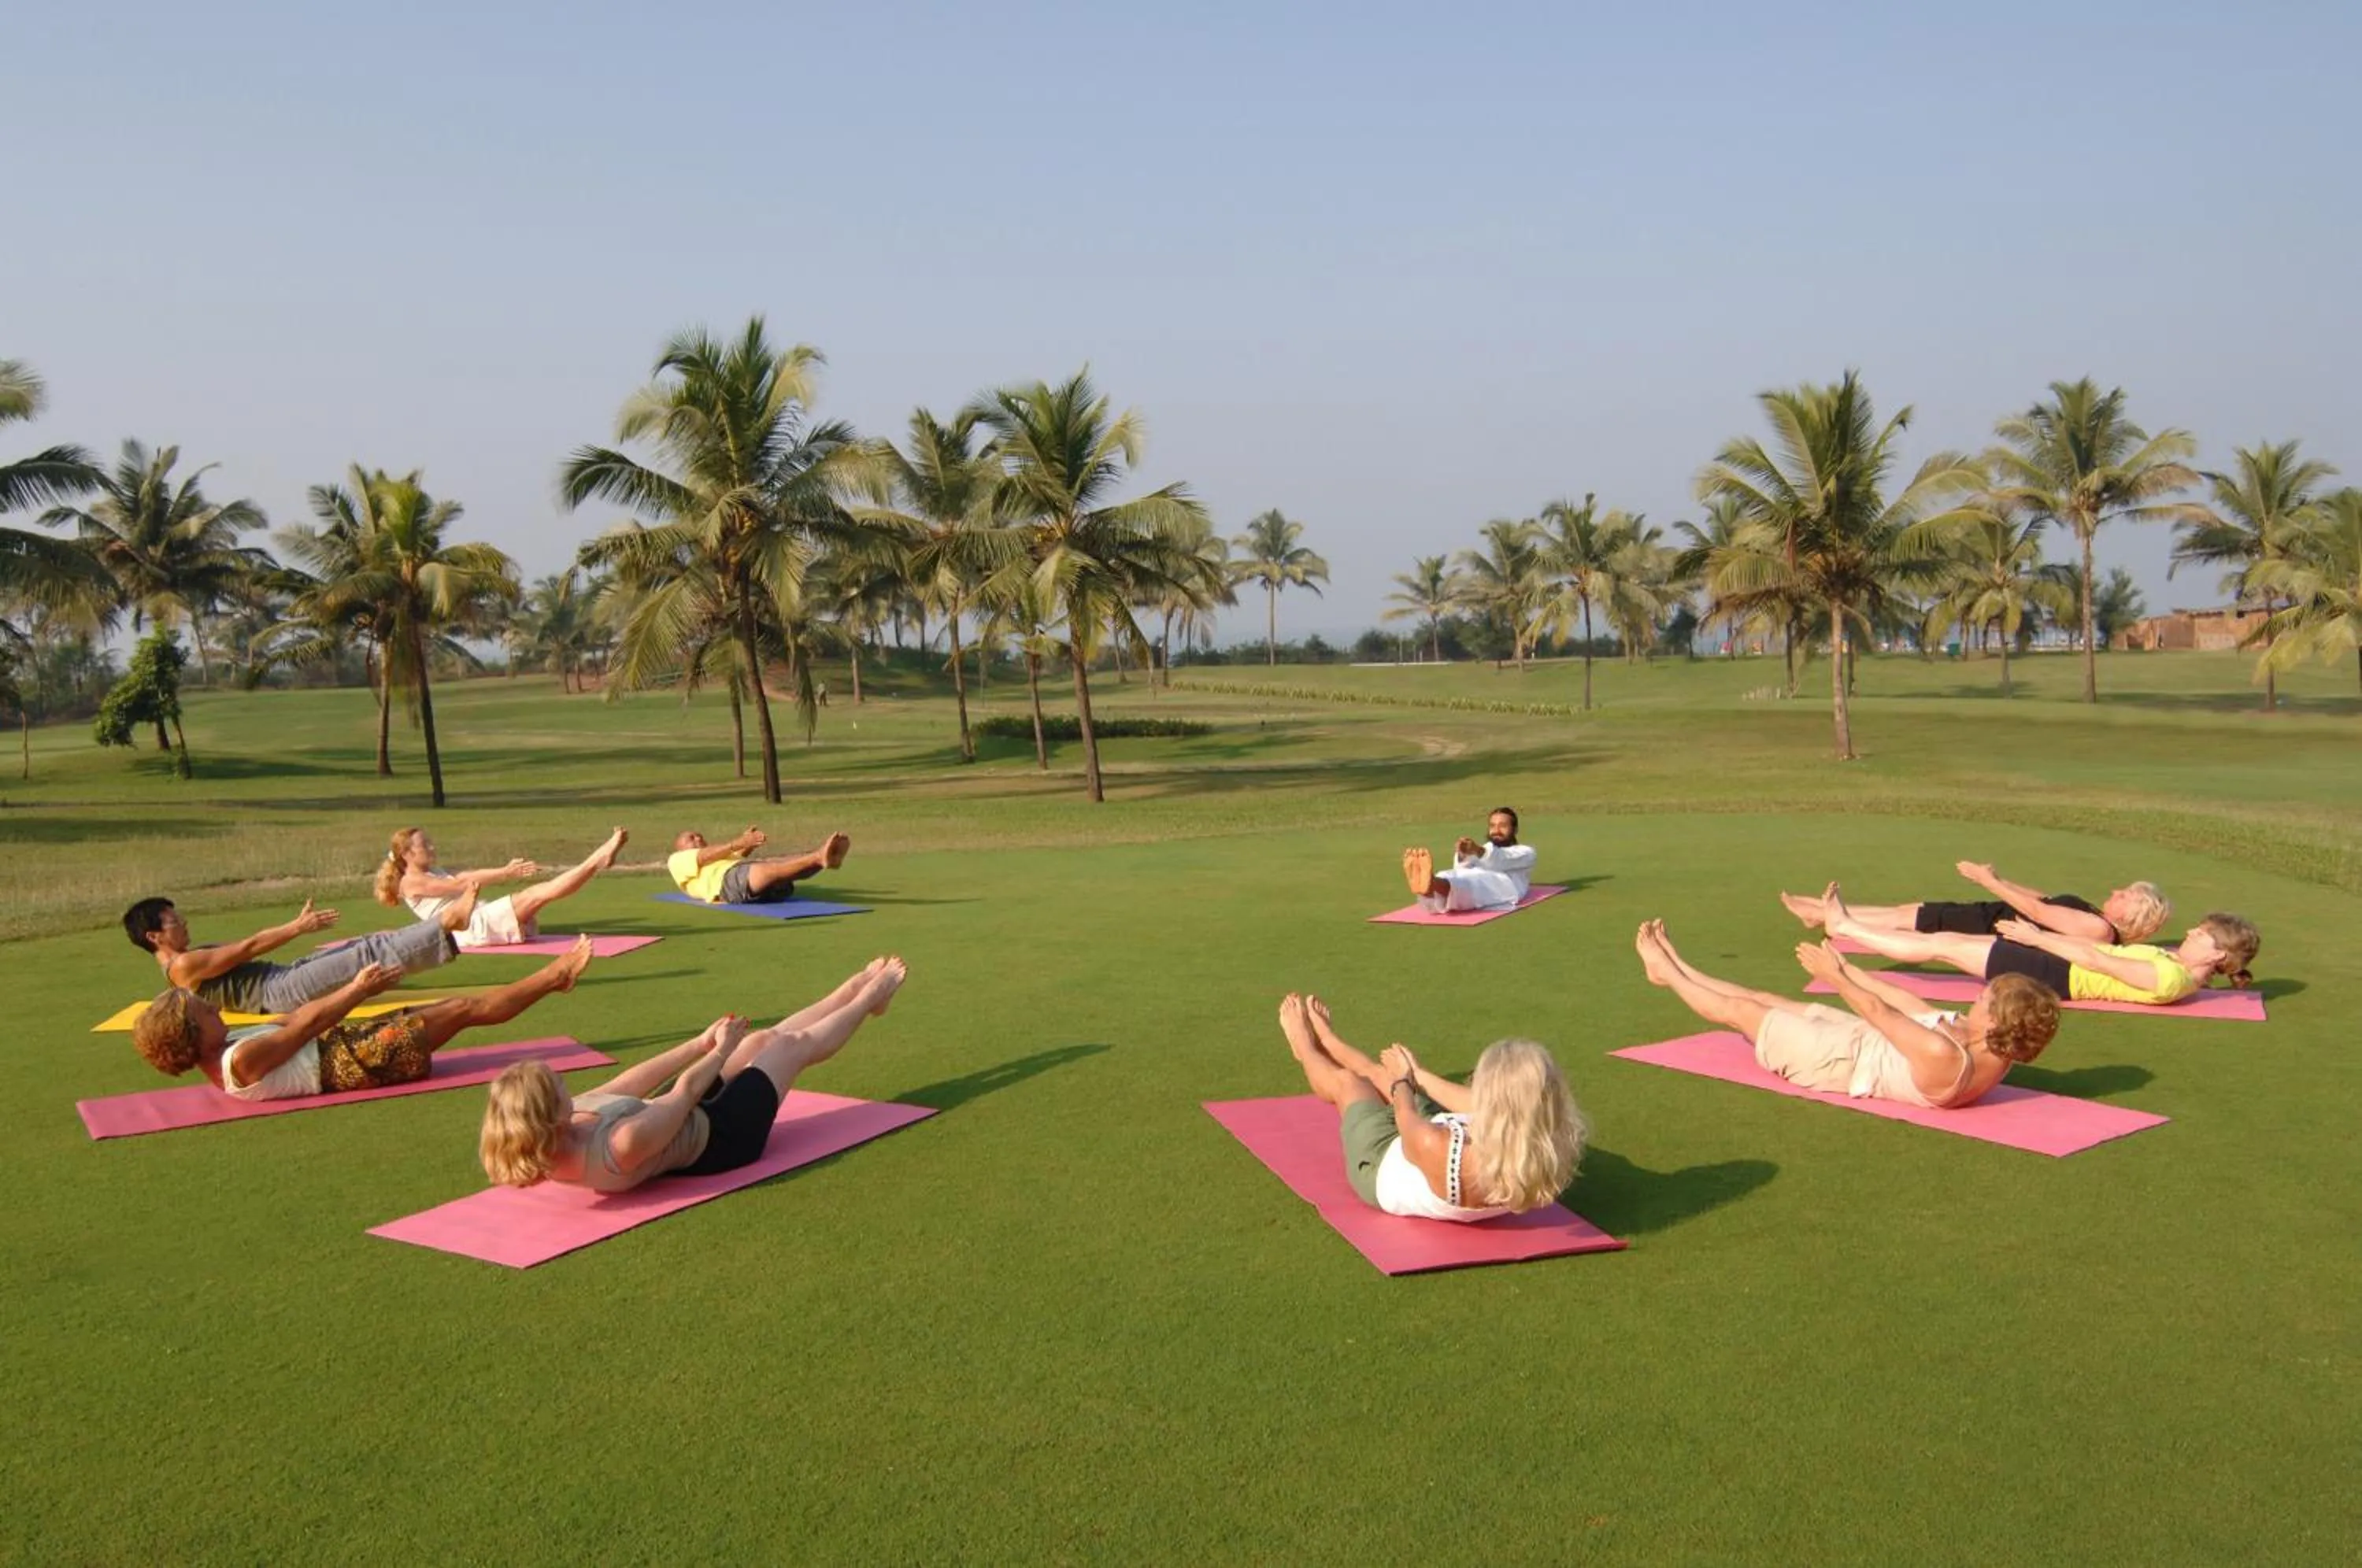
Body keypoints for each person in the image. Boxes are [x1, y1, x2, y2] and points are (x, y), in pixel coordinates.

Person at [479, 956, 906, 1191]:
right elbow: (683, 1094)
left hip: (675, 1116)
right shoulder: (619, 1145)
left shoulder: (561, 1128)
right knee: (791, 1049)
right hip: (721, 1139)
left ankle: (850, 993)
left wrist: (698, 1045)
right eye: (558, 1085)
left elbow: (631, 1083)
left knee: (761, 1042)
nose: (565, 1084)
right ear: (546, 1111)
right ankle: (872, 996)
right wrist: (721, 1053)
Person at [1634, 918, 2057, 1109]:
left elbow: (1879, 1012)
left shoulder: (1945, 1056)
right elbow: (1909, 1006)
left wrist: (1833, 977)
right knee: (1764, 998)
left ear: (1998, 1020)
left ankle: (1666, 972)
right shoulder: (2000, 1049)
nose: (1981, 994)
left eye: (1989, 997)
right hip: (1860, 1042)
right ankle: (1675, 965)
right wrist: (1849, 969)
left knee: (1741, 1010)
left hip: (1835, 1061)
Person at [129, 936, 594, 1101]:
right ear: (193, 1034)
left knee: (456, 1010)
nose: (212, 1007)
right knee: (461, 1009)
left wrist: (353, 990)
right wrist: (357, 989)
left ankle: (553, 979)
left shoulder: (229, 1049)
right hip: (355, 1062)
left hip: (345, 1048)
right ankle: (555, 976)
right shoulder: (241, 1061)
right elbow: (306, 1028)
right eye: (203, 1012)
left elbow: (300, 1017)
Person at [1275, 992, 1586, 1222]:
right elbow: (1470, 1103)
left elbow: (1405, 1116)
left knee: (1349, 1085)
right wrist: (1416, 1074)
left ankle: (1304, 1046)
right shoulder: (1552, 1140)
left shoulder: (1438, 1146)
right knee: (1383, 1074)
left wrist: (1403, 1082)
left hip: (1384, 1166)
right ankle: (1329, 1041)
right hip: (1439, 1138)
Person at [1818, 884, 2259, 1008]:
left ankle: (1846, 927)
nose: (2189, 934)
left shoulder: (2169, 977)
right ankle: (1850, 925)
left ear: (2218, 954)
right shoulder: (2180, 968)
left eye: (2200, 935)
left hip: (2058, 973)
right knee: (1945, 943)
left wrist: (2036, 937)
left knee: (1943, 945)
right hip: (2059, 964)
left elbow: (2095, 959)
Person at [122, 892, 470, 1015]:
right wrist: (297, 927)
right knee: (366, 955)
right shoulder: (183, 966)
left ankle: (444, 925)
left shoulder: (184, 963)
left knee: (361, 945)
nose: (183, 924)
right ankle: (449, 921)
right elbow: (249, 947)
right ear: (154, 936)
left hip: (280, 978)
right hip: (280, 992)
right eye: (173, 922)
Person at [1780, 861, 2171, 946]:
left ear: (2131, 915)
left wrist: (1989, 882)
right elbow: (2042, 900)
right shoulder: (2098, 918)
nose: (2117, 891)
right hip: (1994, 914)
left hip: (1991, 928)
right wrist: (1998, 880)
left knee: (1910, 920)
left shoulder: (2100, 930)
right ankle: (1820, 911)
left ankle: (1820, 914)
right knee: (1909, 911)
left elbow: (2038, 914)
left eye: (2125, 896)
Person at [377, 825, 628, 949]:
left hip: (479, 919)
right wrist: (507, 873)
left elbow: (468, 875)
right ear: (407, 854)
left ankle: (598, 861)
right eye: (425, 845)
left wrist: (505, 870)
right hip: (469, 929)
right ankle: (597, 859)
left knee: (543, 893)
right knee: (539, 893)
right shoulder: (410, 883)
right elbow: (462, 884)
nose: (432, 847)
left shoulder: (433, 871)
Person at [666, 825, 851, 906]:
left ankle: (825, 861)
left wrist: (748, 845)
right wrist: (738, 842)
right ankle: (819, 858)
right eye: (691, 838)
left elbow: (736, 856)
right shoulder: (677, 859)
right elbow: (703, 857)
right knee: (769, 869)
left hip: (749, 881)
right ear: (681, 847)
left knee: (781, 869)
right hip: (725, 884)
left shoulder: (717, 857)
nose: (698, 838)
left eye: (699, 835)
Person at [1401, 806, 1535, 915]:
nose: (1496, 831)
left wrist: (1477, 850)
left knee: (1470, 883)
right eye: (1493, 826)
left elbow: (1502, 859)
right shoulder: (1482, 850)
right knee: (1452, 875)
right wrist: (1462, 855)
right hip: (1477, 878)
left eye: (1503, 826)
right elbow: (1460, 870)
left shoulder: (1526, 852)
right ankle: (1429, 884)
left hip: (1505, 886)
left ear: (1515, 829)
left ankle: (1431, 883)